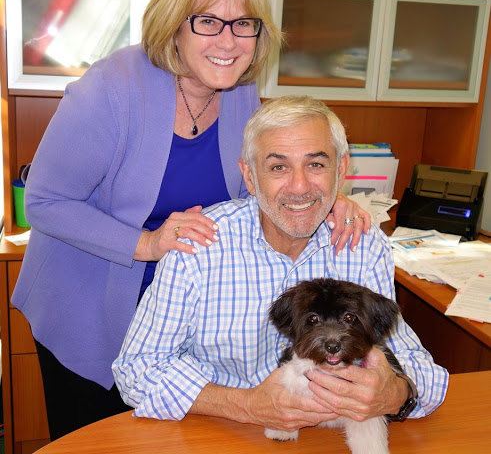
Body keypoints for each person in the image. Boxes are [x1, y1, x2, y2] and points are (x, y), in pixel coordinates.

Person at [11, 0, 370, 441]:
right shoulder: (111, 89)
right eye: (207, 21)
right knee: (98, 440)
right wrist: (148, 243)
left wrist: (322, 200)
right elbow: (44, 202)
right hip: (88, 306)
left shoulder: (239, 92)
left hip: (180, 316)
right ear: (175, 25)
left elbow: (258, 185)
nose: (228, 40)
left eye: (243, 24)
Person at [113, 95, 448, 431]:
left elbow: (419, 367)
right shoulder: (199, 247)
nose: (299, 187)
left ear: (341, 169)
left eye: (316, 165)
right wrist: (245, 405)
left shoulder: (361, 244)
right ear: (249, 176)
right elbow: (135, 370)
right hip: (222, 431)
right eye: (278, 167)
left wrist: (397, 393)